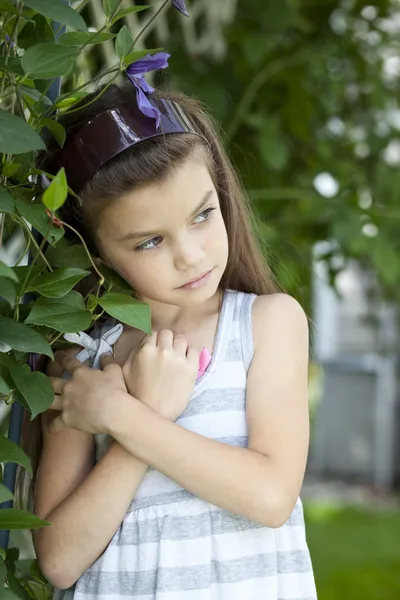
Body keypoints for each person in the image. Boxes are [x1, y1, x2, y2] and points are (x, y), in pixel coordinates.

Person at [27, 75, 317, 599]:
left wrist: (123, 416)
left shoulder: (266, 324)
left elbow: (271, 496)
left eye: (203, 215)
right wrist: (150, 413)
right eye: (150, 241)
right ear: (93, 250)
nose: (191, 255)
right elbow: (60, 560)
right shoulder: (81, 362)